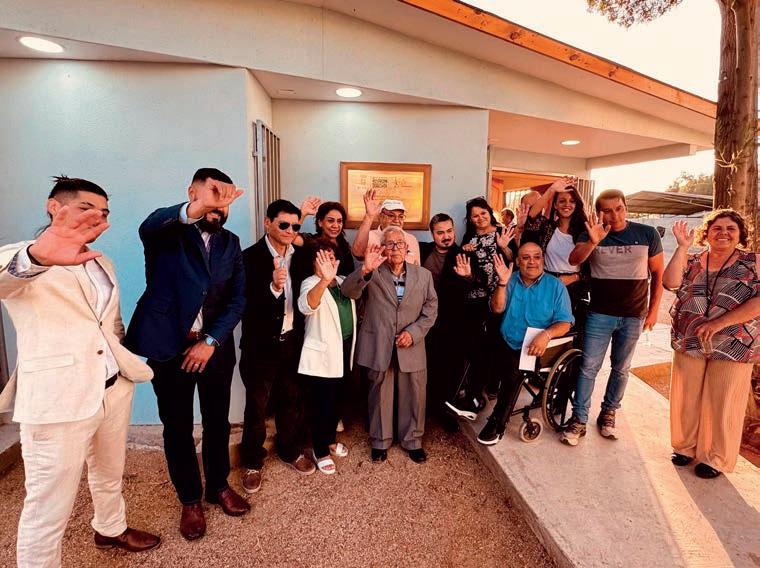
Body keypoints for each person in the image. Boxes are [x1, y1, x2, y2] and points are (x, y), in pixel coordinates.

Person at [0, 176, 159, 566]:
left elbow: (110, 322)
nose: (97, 218)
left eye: (103, 212)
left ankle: (110, 528)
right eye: (87, 208)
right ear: (54, 207)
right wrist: (38, 257)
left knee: (109, 472)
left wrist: (123, 361)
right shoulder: (21, 256)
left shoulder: (100, 260)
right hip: (58, 399)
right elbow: (5, 281)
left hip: (112, 387)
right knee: (47, 505)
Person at [126, 168, 249, 541]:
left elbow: (237, 299)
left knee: (217, 422)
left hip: (213, 349)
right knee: (177, 426)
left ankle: (218, 486)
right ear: (192, 193)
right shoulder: (165, 233)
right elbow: (149, 225)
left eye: (224, 199)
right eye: (212, 194)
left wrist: (209, 341)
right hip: (169, 348)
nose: (219, 205)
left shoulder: (230, 243)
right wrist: (196, 208)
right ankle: (190, 499)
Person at [561, 189, 664, 446]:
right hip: (600, 313)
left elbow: (658, 274)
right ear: (599, 213)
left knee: (621, 368)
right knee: (588, 367)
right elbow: (574, 260)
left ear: (626, 207)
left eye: (619, 208)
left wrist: (653, 311)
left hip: (633, 315)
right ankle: (579, 418)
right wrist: (593, 241)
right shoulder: (591, 233)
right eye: (607, 210)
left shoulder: (647, 233)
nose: (614, 215)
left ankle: (609, 412)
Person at [663, 211, 760, 478]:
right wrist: (682, 247)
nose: (723, 233)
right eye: (717, 228)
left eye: (731, 229)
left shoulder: (754, 262)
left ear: (740, 235)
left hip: (734, 343)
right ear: (706, 233)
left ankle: (716, 458)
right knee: (686, 397)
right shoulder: (693, 260)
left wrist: (719, 323)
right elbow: (670, 282)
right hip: (690, 338)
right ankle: (684, 447)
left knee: (724, 402)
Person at [238, 199, 315, 493]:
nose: (289, 230)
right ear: (267, 222)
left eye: (295, 226)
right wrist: (273, 287)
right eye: (283, 224)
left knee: (291, 400)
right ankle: (252, 461)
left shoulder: (301, 255)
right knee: (256, 407)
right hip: (260, 346)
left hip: (291, 341)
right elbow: (241, 303)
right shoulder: (249, 258)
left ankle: (289, 450)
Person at [341, 228, 438, 463]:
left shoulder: (423, 275)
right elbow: (348, 292)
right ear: (383, 248)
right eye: (390, 243)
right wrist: (365, 270)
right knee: (379, 394)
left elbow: (431, 309)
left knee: (415, 394)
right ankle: (380, 441)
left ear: (407, 248)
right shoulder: (372, 271)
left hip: (411, 345)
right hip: (378, 343)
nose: (395, 248)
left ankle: (413, 441)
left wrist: (413, 333)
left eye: (399, 243)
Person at [477, 243, 574, 444]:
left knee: (513, 367)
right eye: (526, 257)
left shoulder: (555, 286)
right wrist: (502, 284)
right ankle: (472, 398)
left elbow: (565, 322)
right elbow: (496, 309)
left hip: (536, 346)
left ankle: (497, 422)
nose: (532, 262)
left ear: (543, 260)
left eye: (537, 257)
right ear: (518, 261)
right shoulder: (511, 279)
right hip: (508, 339)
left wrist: (546, 334)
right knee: (477, 346)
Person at [446, 197, 515, 420]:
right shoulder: (470, 238)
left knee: (493, 345)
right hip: (475, 298)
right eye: (475, 215)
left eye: (483, 213)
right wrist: (466, 251)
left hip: (498, 298)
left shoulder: (502, 233)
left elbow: (513, 261)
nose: (480, 218)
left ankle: (484, 391)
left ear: (490, 212)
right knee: (475, 345)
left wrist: (504, 247)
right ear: (470, 219)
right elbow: (466, 268)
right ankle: (473, 392)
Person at [298, 239, 356, 474]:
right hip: (322, 355)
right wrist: (324, 280)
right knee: (321, 403)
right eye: (323, 258)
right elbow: (307, 306)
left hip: (344, 348)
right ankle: (320, 450)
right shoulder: (310, 283)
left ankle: (330, 440)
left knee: (337, 400)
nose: (329, 262)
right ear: (314, 262)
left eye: (331, 258)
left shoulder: (342, 281)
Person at [419, 213, 473, 431]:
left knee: (450, 369)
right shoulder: (422, 250)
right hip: (423, 320)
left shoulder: (464, 255)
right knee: (426, 367)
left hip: (452, 323)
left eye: (449, 231)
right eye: (440, 232)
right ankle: (422, 410)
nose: (446, 236)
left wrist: (468, 276)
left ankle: (444, 412)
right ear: (432, 234)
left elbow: (477, 284)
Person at [522, 176, 590, 321]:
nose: (567, 204)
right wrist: (552, 189)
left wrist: (573, 278)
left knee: (567, 327)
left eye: (572, 201)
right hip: (546, 283)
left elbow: (591, 268)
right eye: (562, 201)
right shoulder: (548, 228)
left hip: (573, 286)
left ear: (577, 205)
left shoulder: (585, 231)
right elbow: (532, 217)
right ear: (555, 205)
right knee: (542, 324)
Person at [351, 190, 421, 265]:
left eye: (401, 217)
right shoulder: (369, 236)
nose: (397, 220)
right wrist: (369, 216)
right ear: (380, 217)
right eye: (391, 216)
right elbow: (357, 253)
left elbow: (417, 268)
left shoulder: (412, 239)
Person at [296, 199, 355, 276]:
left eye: (339, 221)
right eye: (330, 221)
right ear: (320, 222)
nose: (336, 225)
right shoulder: (311, 241)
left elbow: (350, 276)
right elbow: (291, 237)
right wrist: (302, 214)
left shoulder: (344, 246)